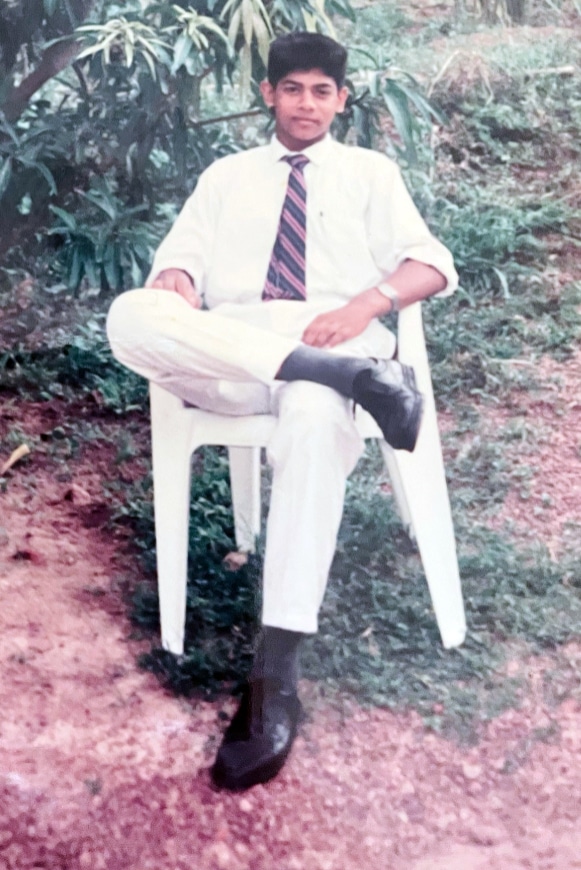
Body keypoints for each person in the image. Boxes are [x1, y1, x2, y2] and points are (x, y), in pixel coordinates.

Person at [106, 31, 458, 791]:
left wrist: (366, 303)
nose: (306, 104)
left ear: (341, 99)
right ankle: (349, 377)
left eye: (321, 91)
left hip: (332, 338)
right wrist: (176, 282)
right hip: (238, 355)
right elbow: (179, 263)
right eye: (291, 89)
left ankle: (275, 672)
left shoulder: (369, 173)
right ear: (268, 94)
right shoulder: (226, 176)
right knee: (130, 316)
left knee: (313, 418)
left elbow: (431, 263)